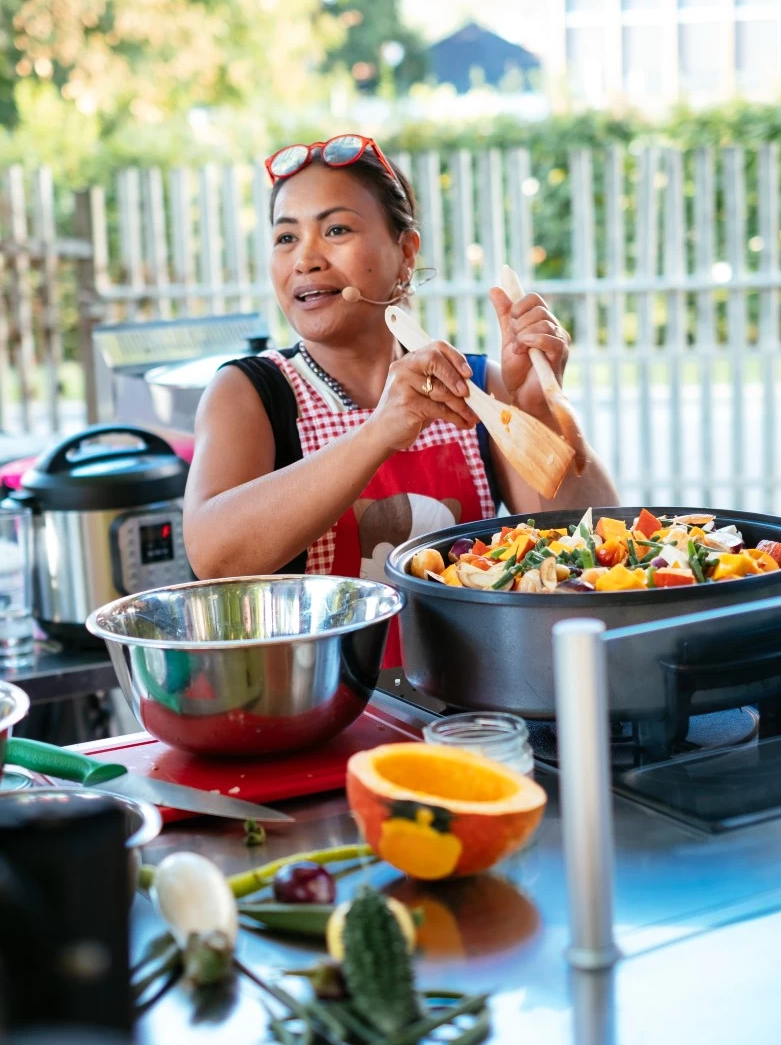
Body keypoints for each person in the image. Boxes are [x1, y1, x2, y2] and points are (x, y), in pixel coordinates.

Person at [183, 134, 618, 663]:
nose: (306, 259)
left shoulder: (479, 386)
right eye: (285, 238)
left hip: (466, 708)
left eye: (336, 229)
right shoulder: (251, 392)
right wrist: (379, 433)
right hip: (318, 711)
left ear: (405, 254)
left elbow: (594, 538)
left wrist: (535, 410)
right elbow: (215, 560)